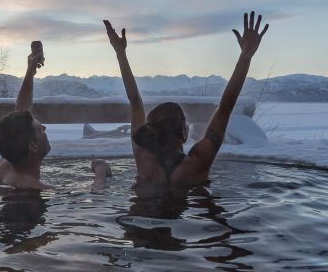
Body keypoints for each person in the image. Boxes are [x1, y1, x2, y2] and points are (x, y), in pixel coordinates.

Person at [104, 11, 269, 187]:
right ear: (184, 133)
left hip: (142, 211)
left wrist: (120, 53)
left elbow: (135, 101)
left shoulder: (143, 158)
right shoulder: (197, 163)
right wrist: (246, 56)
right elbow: (226, 107)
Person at [0, 45, 111, 189]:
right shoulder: (35, 188)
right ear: (33, 146)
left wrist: (30, 71)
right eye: (39, 129)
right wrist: (100, 173)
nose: (44, 127)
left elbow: (21, 109)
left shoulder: (6, 168)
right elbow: (94, 196)